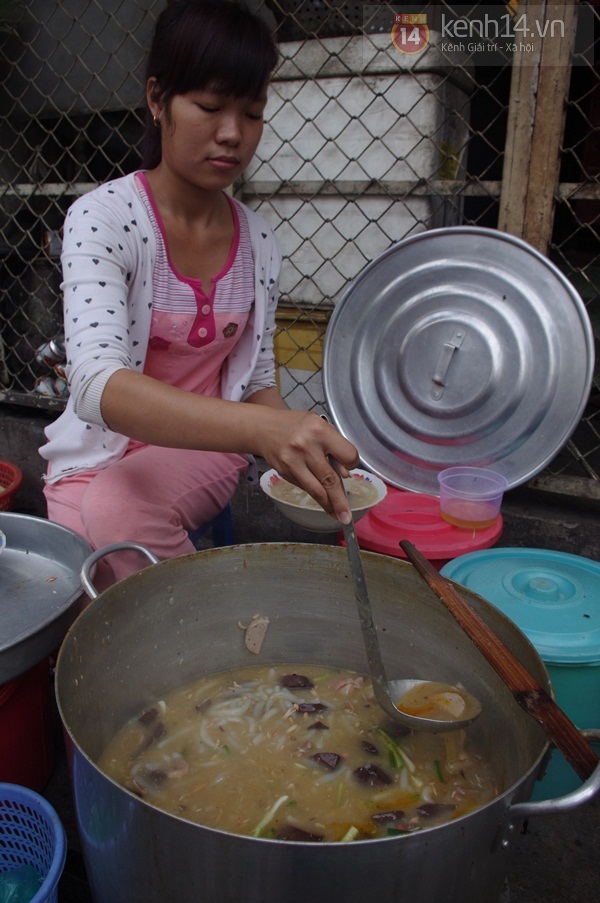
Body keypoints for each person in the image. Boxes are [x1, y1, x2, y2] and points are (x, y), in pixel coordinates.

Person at [39, 0, 358, 590]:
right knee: (82, 580)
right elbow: (93, 384)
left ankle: (213, 645)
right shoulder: (104, 218)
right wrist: (262, 432)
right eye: (210, 107)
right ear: (158, 100)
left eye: (253, 113)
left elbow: (258, 382)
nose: (233, 134)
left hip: (204, 452)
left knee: (118, 518)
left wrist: (294, 439)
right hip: (91, 456)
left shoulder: (258, 241)